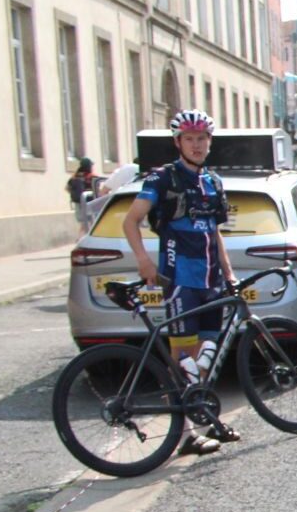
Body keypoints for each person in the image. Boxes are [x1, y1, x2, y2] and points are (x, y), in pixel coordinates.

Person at [121, 110, 240, 457]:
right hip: (180, 280)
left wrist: (229, 272)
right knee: (182, 357)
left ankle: (204, 424)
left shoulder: (213, 182)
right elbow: (131, 221)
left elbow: (214, 231)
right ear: (178, 143)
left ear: (210, 142)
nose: (197, 144)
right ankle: (188, 435)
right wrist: (144, 260)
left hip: (211, 280)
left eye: (202, 138)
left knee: (205, 357)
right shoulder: (162, 179)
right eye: (190, 139)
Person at [67, 157, 98, 231]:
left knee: (84, 223)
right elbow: (97, 189)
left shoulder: (75, 177)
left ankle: (81, 238)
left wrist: (75, 195)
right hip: (90, 202)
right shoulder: (93, 177)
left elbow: (67, 188)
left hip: (78, 202)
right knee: (91, 223)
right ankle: (82, 238)